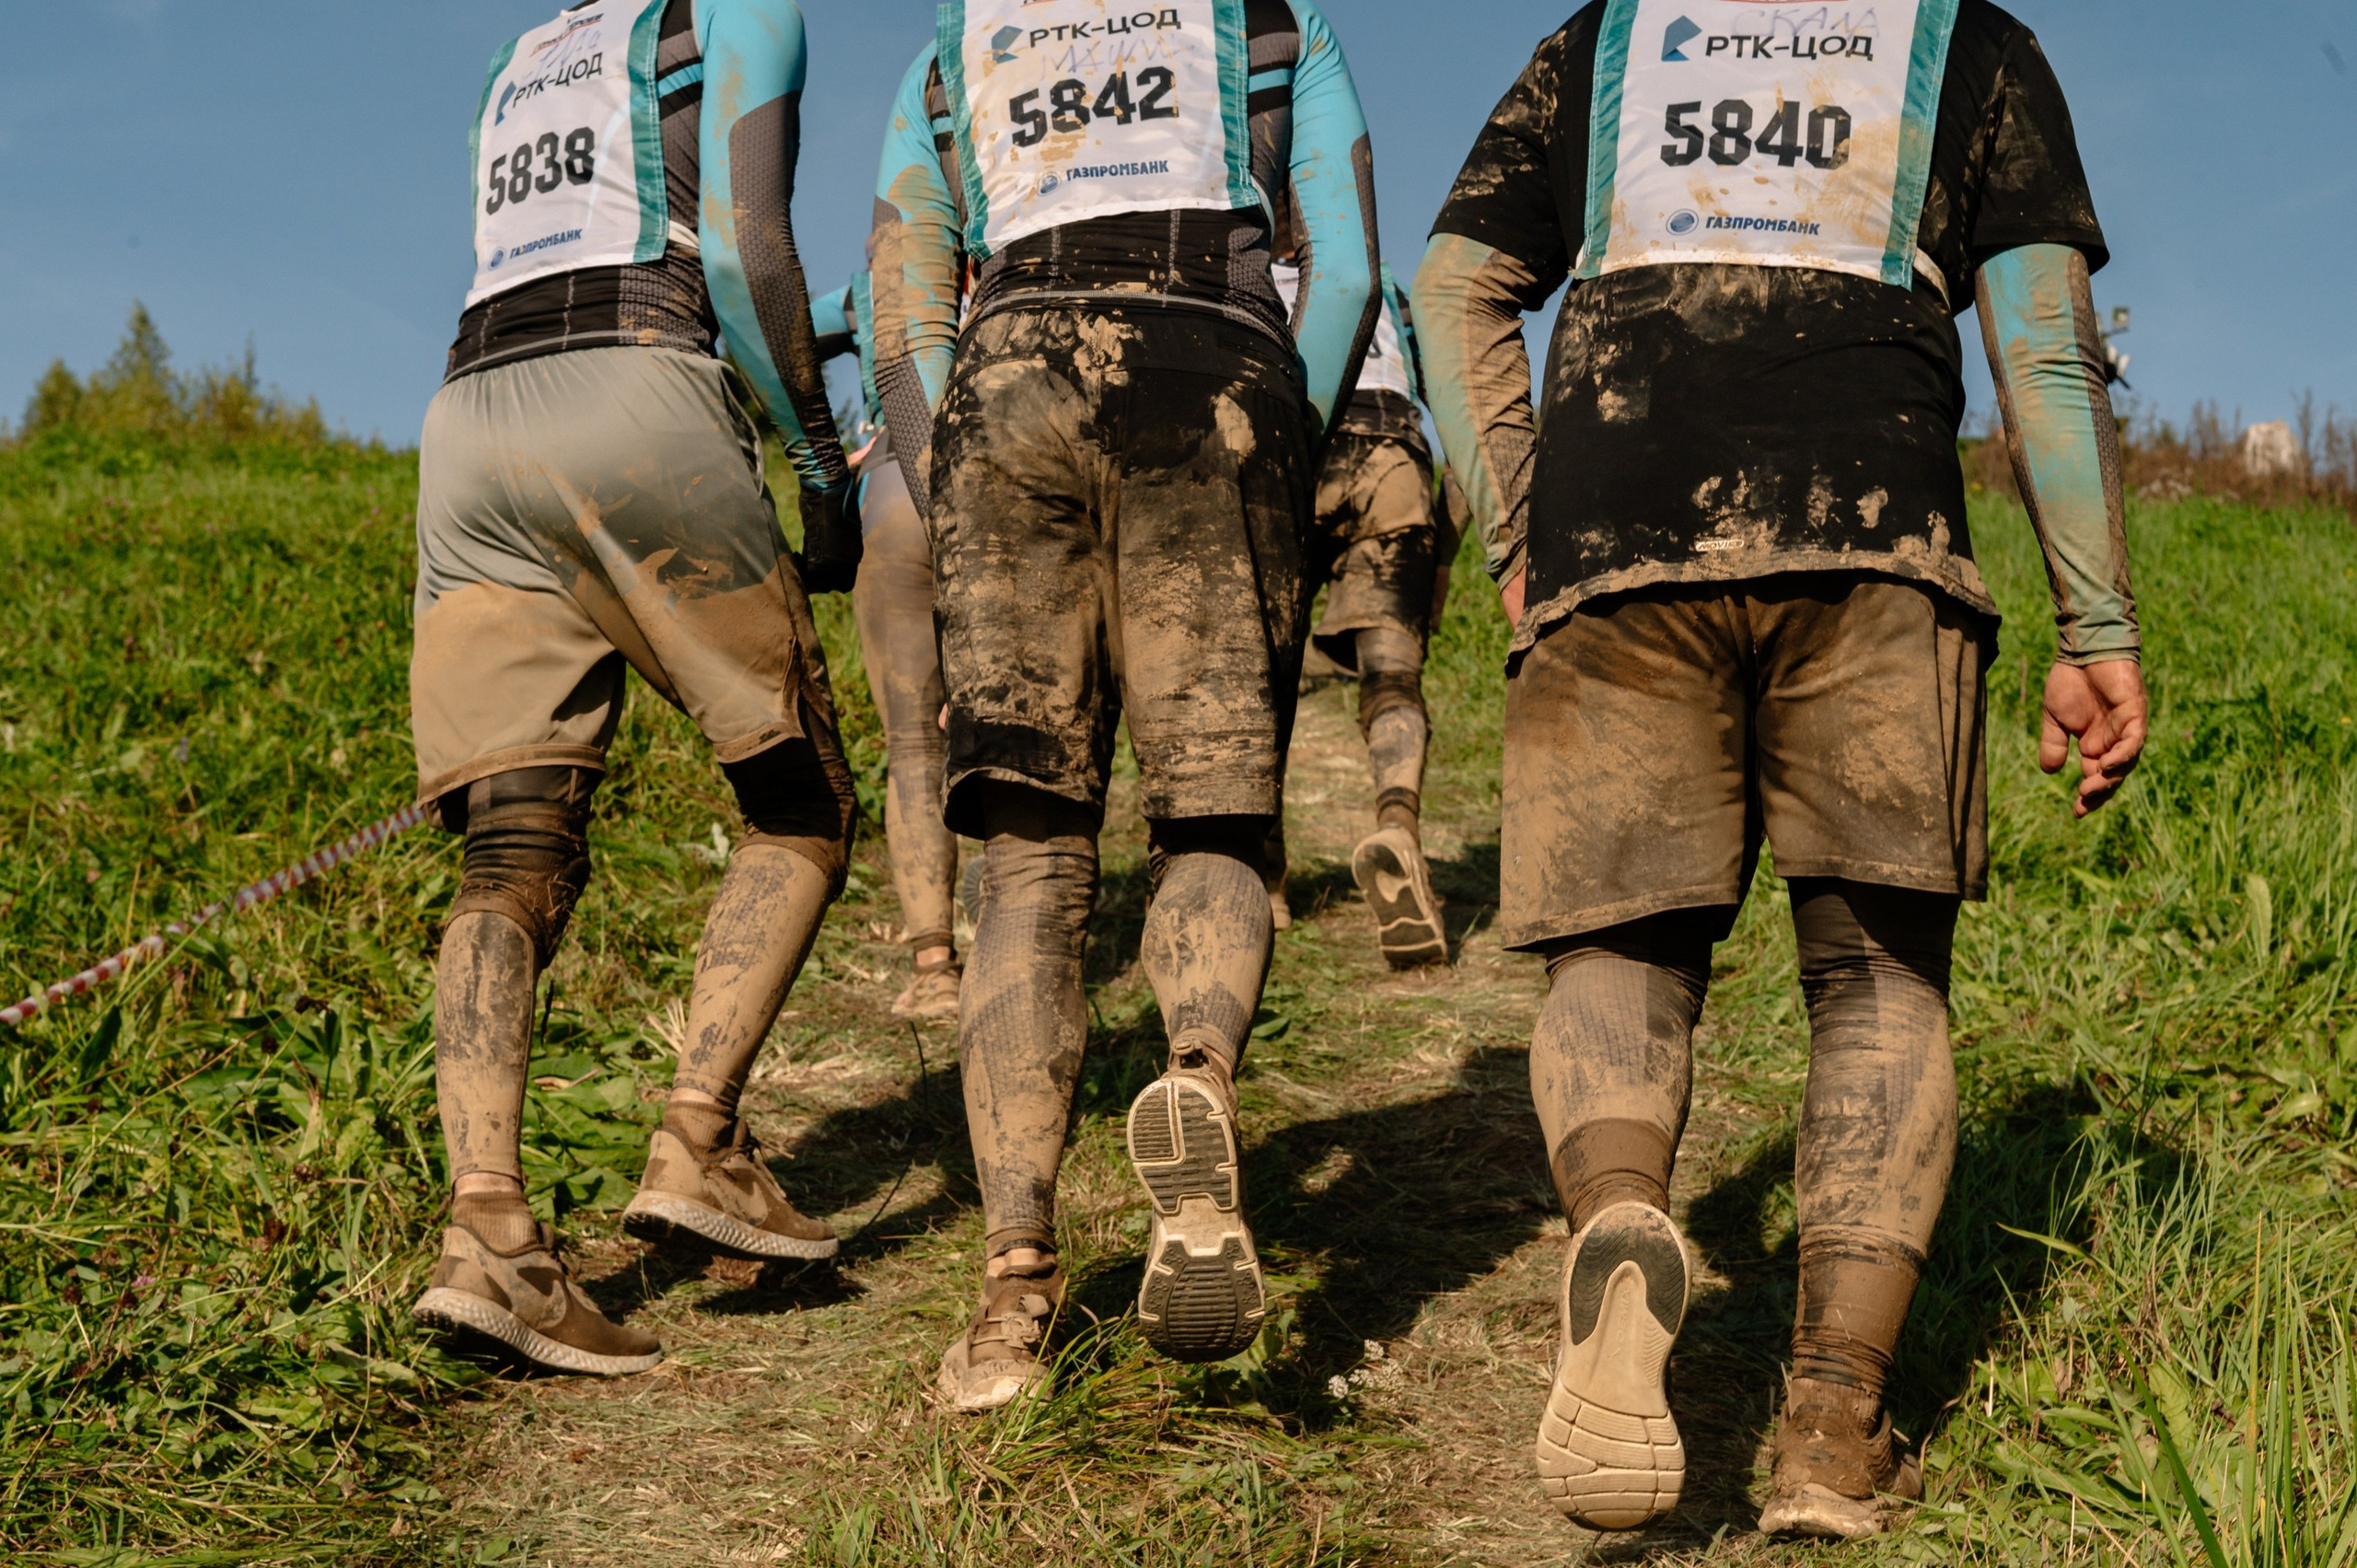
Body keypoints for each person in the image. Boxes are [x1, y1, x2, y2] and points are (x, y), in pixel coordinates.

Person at [1415, 0, 2145, 1538]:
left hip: (1615, 533)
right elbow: (2043, 347)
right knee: (1879, 984)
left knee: (1620, 960)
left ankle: (1620, 1213)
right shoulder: (1971, 42)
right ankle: (1832, 1425)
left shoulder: (1601, 44)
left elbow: (1456, 284)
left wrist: (1520, 533)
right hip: (1873, 530)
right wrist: (2097, 619)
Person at [869, 0, 1378, 1411]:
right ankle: (1200, 1077)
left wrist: (946, 481)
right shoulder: (1277, 31)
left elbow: (902, 313)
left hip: (1008, 374)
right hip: (1214, 367)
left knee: (1029, 857)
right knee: (1211, 814)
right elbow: (1348, 273)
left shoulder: (955, 48)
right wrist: (1285, 435)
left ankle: (1013, 1297)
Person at [406, 0, 861, 1376]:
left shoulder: (520, 57)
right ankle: (702, 1139)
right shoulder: (730, 13)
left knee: (510, 850)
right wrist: (824, 464)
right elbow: (740, 250)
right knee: (799, 798)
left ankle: (487, 1226)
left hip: (472, 420)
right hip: (641, 397)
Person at [1270, 250, 1454, 968]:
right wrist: (1440, 559)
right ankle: (1399, 829)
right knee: (1392, 678)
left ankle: (1268, 881)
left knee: (1265, 674)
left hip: (1296, 450)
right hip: (1394, 453)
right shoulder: (1390, 298)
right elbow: (1463, 429)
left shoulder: (1242, 272)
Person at [812, 273, 963, 1021]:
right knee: (1011, 721)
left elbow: (785, 339)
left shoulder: (868, 285)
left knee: (910, 743)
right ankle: (1024, 937)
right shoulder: (1002, 239)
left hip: (891, 483)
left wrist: (820, 454)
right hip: (997, 470)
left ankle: (936, 967)